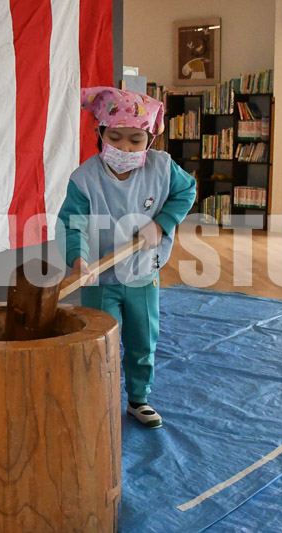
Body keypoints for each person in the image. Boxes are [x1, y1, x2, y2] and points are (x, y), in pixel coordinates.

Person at [57, 87, 196, 429]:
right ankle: (96, 400)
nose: (125, 148)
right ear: (100, 133)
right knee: (97, 342)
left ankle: (138, 399)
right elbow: (73, 224)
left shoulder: (162, 168)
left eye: (136, 140)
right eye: (115, 138)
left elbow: (186, 191)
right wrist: (78, 261)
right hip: (100, 278)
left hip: (142, 274)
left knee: (142, 339)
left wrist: (161, 225)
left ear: (150, 139)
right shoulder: (85, 179)